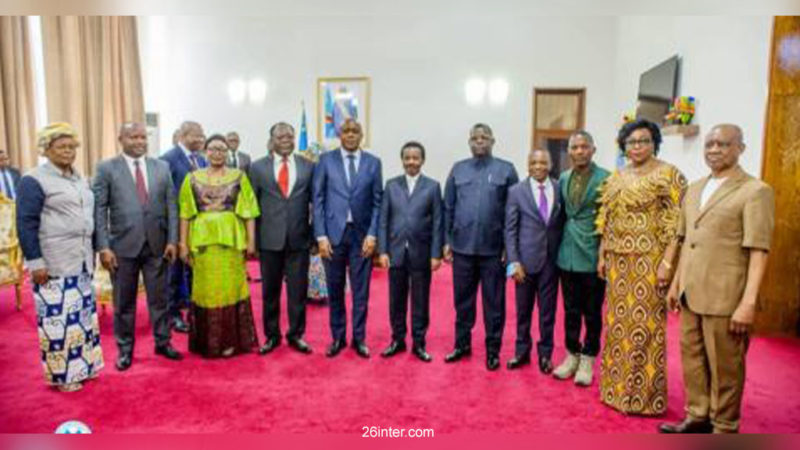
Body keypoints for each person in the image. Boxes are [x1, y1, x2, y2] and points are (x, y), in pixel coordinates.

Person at [659, 125, 774, 434]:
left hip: (726, 297)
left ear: (741, 149)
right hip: (690, 292)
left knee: (726, 367)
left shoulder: (755, 191)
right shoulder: (694, 188)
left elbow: (758, 250)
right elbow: (686, 240)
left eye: (723, 144)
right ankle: (697, 415)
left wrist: (748, 303)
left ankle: (724, 425)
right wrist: (675, 283)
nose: (713, 149)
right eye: (709, 144)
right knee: (692, 359)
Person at [596, 119, 687, 416]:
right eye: (632, 142)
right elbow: (607, 219)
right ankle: (615, 391)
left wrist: (667, 263)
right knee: (618, 326)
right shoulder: (617, 175)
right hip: (618, 264)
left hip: (649, 262)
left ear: (654, 143)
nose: (637, 146)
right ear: (624, 145)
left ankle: (643, 398)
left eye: (644, 141)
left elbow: (678, 225)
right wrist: (602, 255)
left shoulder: (669, 175)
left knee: (645, 327)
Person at [16, 122, 103, 391]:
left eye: (71, 146)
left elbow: (90, 216)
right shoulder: (34, 179)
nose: (68, 151)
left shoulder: (80, 178)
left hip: (82, 259)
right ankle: (64, 377)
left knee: (83, 319)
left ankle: (84, 368)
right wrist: (35, 263)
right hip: (53, 261)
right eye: (61, 146)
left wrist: (98, 249)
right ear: (46, 150)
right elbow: (25, 223)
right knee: (59, 323)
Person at [93, 122, 183, 371]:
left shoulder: (161, 167)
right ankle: (125, 349)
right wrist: (103, 247)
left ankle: (163, 342)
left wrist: (173, 240)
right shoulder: (106, 168)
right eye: (133, 137)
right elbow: (99, 210)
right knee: (124, 302)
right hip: (121, 247)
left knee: (160, 300)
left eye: (143, 137)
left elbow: (171, 207)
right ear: (121, 138)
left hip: (157, 245)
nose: (140, 141)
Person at [443, 123, 519, 371]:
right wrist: (447, 241)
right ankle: (462, 345)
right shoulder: (458, 169)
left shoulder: (506, 170)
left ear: (493, 141)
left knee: (494, 304)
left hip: (493, 251)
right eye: (475, 137)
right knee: (462, 301)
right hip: (462, 249)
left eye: (484, 137)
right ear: (469, 141)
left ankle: (492, 350)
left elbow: (513, 212)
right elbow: (448, 208)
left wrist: (510, 247)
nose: (479, 141)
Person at [178, 134, 260, 358]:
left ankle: (231, 341)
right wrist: (182, 244)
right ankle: (208, 342)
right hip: (203, 245)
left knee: (231, 289)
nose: (217, 153)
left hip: (232, 244)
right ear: (205, 151)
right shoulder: (192, 178)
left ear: (228, 152)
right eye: (213, 149)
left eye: (222, 149)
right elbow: (185, 213)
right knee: (206, 291)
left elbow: (249, 212)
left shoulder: (239, 176)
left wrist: (251, 242)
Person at [312, 119, 383, 358]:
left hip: (362, 237)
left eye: (355, 131)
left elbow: (377, 202)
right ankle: (338, 337)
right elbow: (318, 200)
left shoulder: (373, 163)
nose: (351, 135)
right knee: (335, 289)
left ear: (362, 135)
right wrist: (320, 236)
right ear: (339, 135)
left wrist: (373, 234)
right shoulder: (325, 161)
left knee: (361, 291)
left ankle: (359, 338)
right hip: (332, 236)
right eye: (346, 131)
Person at [249, 123, 314, 355]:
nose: (286, 139)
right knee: (270, 292)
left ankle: (296, 334)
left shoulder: (308, 166)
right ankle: (272, 335)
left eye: (290, 135)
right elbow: (251, 207)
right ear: (272, 139)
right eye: (281, 135)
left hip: (299, 238)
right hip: (269, 240)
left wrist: (315, 235)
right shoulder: (257, 168)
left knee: (298, 291)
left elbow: (316, 203)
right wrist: (253, 241)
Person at [552, 131, 610, 386]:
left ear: (593, 150)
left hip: (592, 253)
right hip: (567, 253)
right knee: (570, 309)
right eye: (574, 147)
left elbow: (609, 221)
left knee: (593, 311)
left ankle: (588, 357)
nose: (578, 151)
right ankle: (571, 354)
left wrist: (603, 255)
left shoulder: (606, 178)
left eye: (584, 147)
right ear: (569, 151)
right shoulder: (563, 177)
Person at [377, 141, 443, 362]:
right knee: (396, 300)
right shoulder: (391, 185)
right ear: (402, 160)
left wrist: (436, 254)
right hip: (395, 252)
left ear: (422, 160)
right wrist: (383, 250)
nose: (411, 162)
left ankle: (419, 342)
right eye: (407, 158)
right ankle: (397, 340)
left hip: (422, 253)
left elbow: (437, 223)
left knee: (420, 300)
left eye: (416, 158)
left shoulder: (433, 187)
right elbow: (383, 220)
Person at [505, 149, 564, 373]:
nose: (538, 166)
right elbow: (509, 230)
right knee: (523, 311)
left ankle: (545, 355)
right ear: (527, 165)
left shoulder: (560, 189)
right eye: (533, 162)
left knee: (548, 312)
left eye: (542, 162)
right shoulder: (516, 192)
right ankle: (521, 352)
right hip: (524, 263)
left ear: (550, 164)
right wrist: (513, 262)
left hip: (551, 262)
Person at [161, 121, 207, 333]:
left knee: (193, 271)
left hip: (198, 226)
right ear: (183, 136)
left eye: (201, 135)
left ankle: (192, 310)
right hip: (177, 226)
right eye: (196, 136)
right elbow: (165, 198)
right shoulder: (168, 160)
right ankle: (173, 315)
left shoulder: (201, 160)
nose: (200, 139)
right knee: (174, 273)